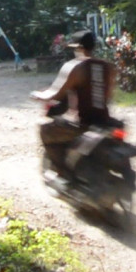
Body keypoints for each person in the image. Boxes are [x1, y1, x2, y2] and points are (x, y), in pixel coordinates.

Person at [32, 29, 117, 182]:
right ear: (93, 46)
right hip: (104, 121)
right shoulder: (108, 67)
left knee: (44, 130)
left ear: (78, 47)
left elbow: (55, 94)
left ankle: (62, 172)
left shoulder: (75, 67)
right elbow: (108, 95)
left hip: (81, 124)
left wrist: (38, 95)